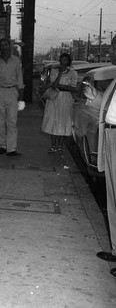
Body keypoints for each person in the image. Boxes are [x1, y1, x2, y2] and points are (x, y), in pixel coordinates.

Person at [96, 36, 116, 277]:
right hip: (111, 136)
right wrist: (96, 97)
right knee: (112, 194)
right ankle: (115, 248)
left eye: (114, 47)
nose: (111, 51)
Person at [0, 38, 24, 157]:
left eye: (6, 45)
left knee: (12, 122)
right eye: (2, 45)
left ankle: (11, 148)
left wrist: (21, 97)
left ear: (10, 46)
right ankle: (2, 146)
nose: (5, 47)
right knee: (0, 121)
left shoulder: (15, 60)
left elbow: (19, 79)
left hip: (12, 92)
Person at [41, 53, 77, 153]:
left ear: (68, 61)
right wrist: (60, 74)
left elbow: (73, 88)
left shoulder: (73, 73)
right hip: (55, 98)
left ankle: (60, 146)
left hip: (66, 99)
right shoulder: (54, 71)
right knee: (54, 120)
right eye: (61, 60)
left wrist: (61, 86)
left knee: (63, 121)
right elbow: (54, 85)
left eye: (65, 60)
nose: (63, 62)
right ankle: (53, 145)